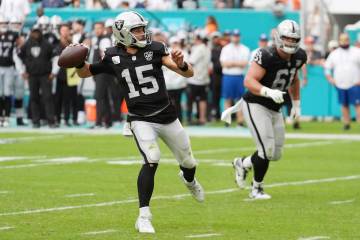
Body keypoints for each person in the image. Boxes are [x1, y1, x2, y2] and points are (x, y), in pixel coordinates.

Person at [73, 11, 204, 233]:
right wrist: (78, 62)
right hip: (139, 118)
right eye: (137, 30)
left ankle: (189, 180)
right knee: (152, 158)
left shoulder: (155, 49)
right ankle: (144, 215)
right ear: (123, 34)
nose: (142, 33)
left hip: (166, 115)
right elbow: (86, 72)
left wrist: (182, 64)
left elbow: (188, 74)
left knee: (189, 162)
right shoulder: (112, 55)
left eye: (143, 28)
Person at [222, 20, 307, 199]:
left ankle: (242, 163)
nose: (290, 42)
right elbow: (249, 81)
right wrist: (267, 91)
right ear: (278, 37)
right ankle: (257, 189)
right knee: (266, 150)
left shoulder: (300, 56)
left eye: (294, 39)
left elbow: (295, 79)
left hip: (276, 107)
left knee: (276, 153)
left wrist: (297, 103)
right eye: (286, 38)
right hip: (256, 103)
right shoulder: (266, 54)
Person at [325, 33, 360, 130]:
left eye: (346, 40)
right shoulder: (334, 54)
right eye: (342, 40)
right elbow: (327, 67)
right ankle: (346, 124)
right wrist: (330, 78)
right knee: (344, 104)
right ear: (339, 41)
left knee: (358, 104)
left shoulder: (356, 52)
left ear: (349, 40)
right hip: (340, 84)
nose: (344, 42)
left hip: (355, 83)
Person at [220, 29, 250, 126]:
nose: (236, 38)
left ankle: (240, 121)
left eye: (237, 36)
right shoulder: (226, 48)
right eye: (234, 36)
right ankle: (227, 120)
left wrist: (231, 63)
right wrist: (237, 63)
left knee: (239, 99)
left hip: (239, 76)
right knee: (227, 99)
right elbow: (224, 64)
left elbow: (244, 64)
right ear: (231, 37)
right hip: (228, 76)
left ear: (239, 37)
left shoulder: (245, 49)